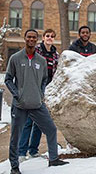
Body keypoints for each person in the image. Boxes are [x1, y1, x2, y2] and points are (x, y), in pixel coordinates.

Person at [5, 29, 68, 174]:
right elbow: (8, 79)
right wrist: (16, 94)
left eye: (34, 37)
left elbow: (45, 78)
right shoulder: (15, 58)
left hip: (37, 104)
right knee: (16, 136)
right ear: (25, 38)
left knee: (51, 129)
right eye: (29, 37)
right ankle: (14, 167)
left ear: (37, 39)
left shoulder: (41, 60)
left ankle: (53, 159)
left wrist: (40, 93)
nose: (31, 39)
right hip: (20, 105)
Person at [18, 29, 60, 162]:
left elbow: (55, 73)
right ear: (43, 37)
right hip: (33, 90)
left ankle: (33, 150)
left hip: (47, 91)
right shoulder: (36, 51)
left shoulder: (55, 54)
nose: (50, 38)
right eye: (47, 36)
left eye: (52, 36)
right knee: (28, 122)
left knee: (39, 123)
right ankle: (21, 152)